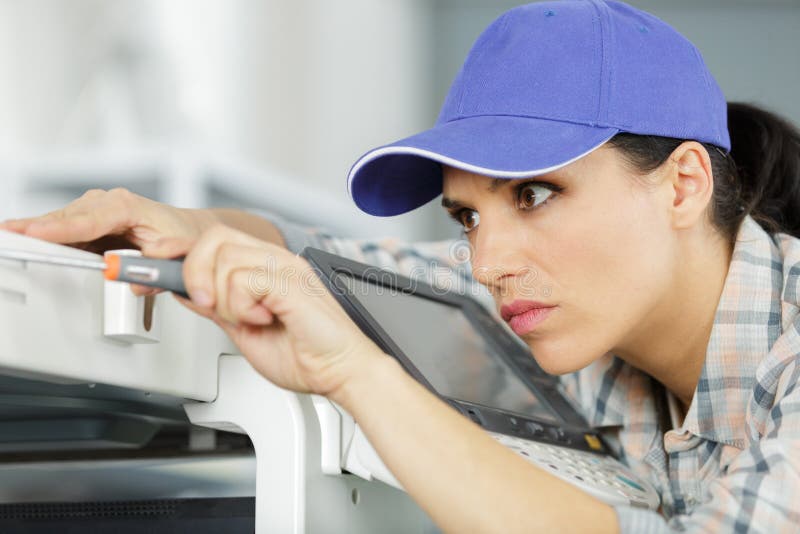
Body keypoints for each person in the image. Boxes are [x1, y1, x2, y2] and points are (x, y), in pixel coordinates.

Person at [2, 0, 800, 531]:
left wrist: (356, 373)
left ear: (684, 185)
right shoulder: (564, 302)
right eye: (467, 216)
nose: (487, 262)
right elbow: (329, 264)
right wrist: (188, 226)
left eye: (534, 193)